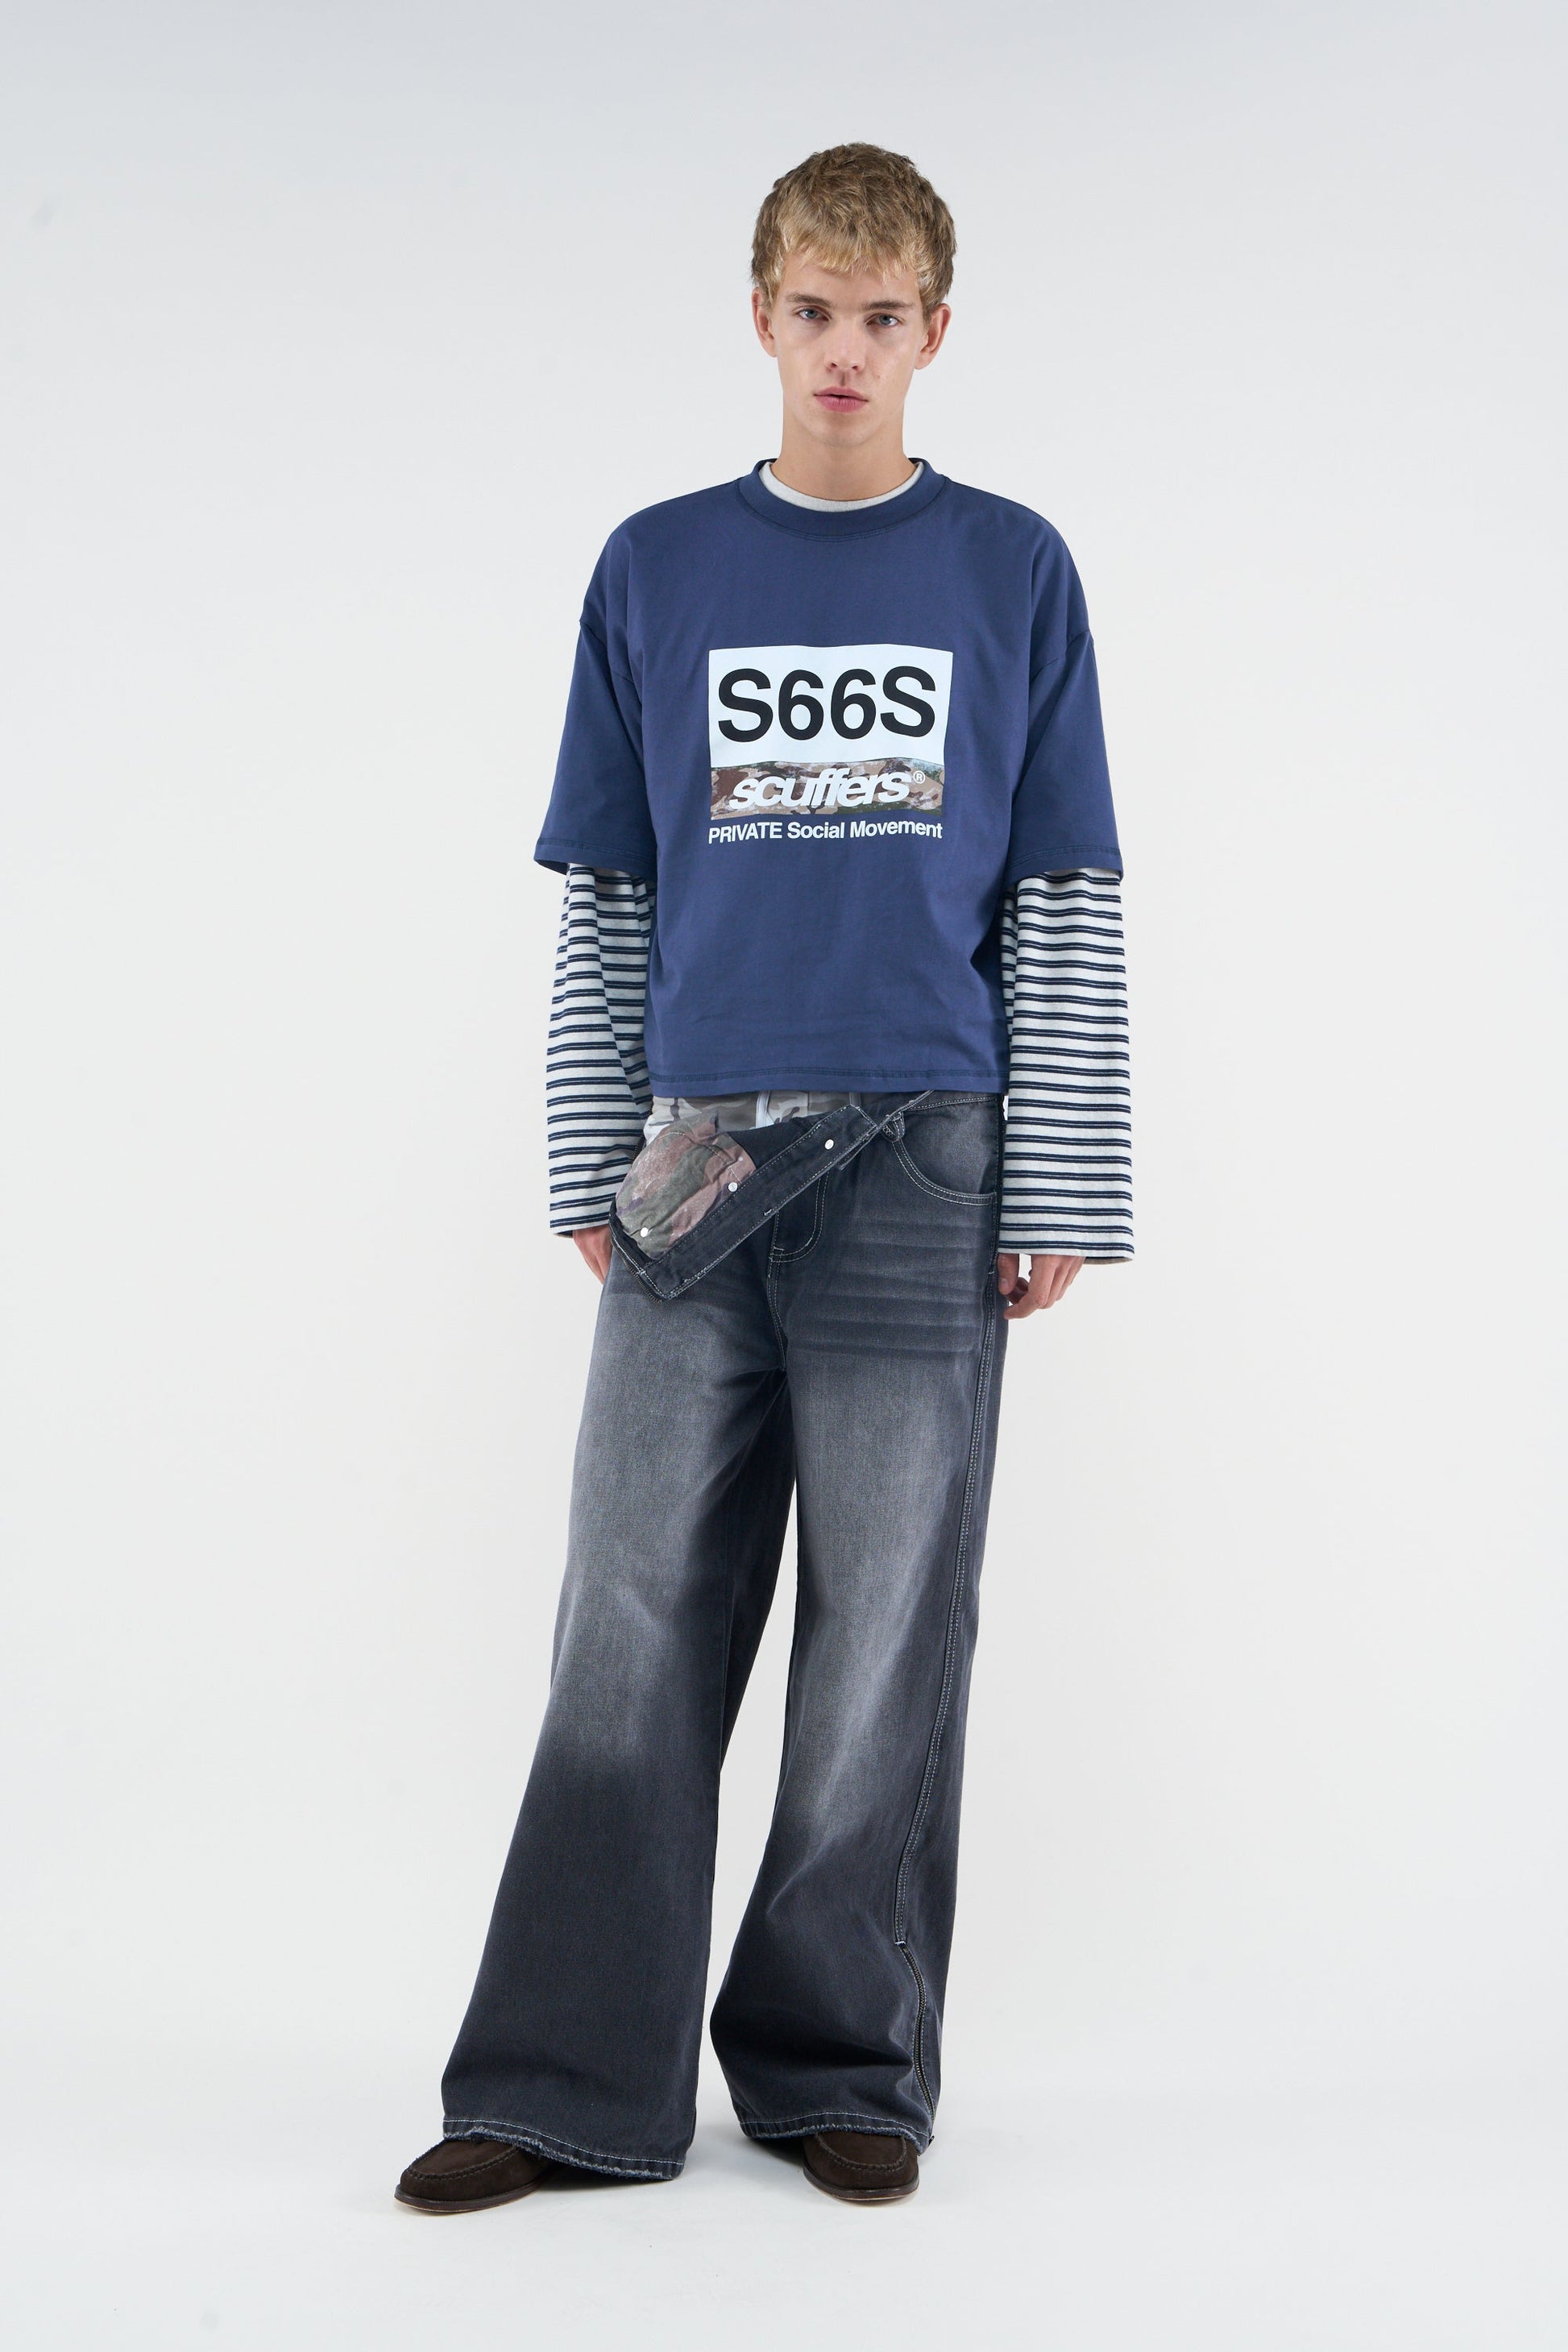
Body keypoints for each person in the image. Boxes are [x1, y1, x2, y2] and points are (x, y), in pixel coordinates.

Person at [396, 142, 1130, 2215]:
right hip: (696, 1153)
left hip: (924, 1152)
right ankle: (562, 2077)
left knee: (887, 1618)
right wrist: (586, 1150)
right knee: (628, 1606)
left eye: (881, 317)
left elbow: (1058, 888)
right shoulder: (657, 567)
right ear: (759, 317)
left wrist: (1061, 1176)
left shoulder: (1009, 568)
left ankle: (840, 2062)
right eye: (812, 310)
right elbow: (610, 886)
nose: (843, 351)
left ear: (935, 332)